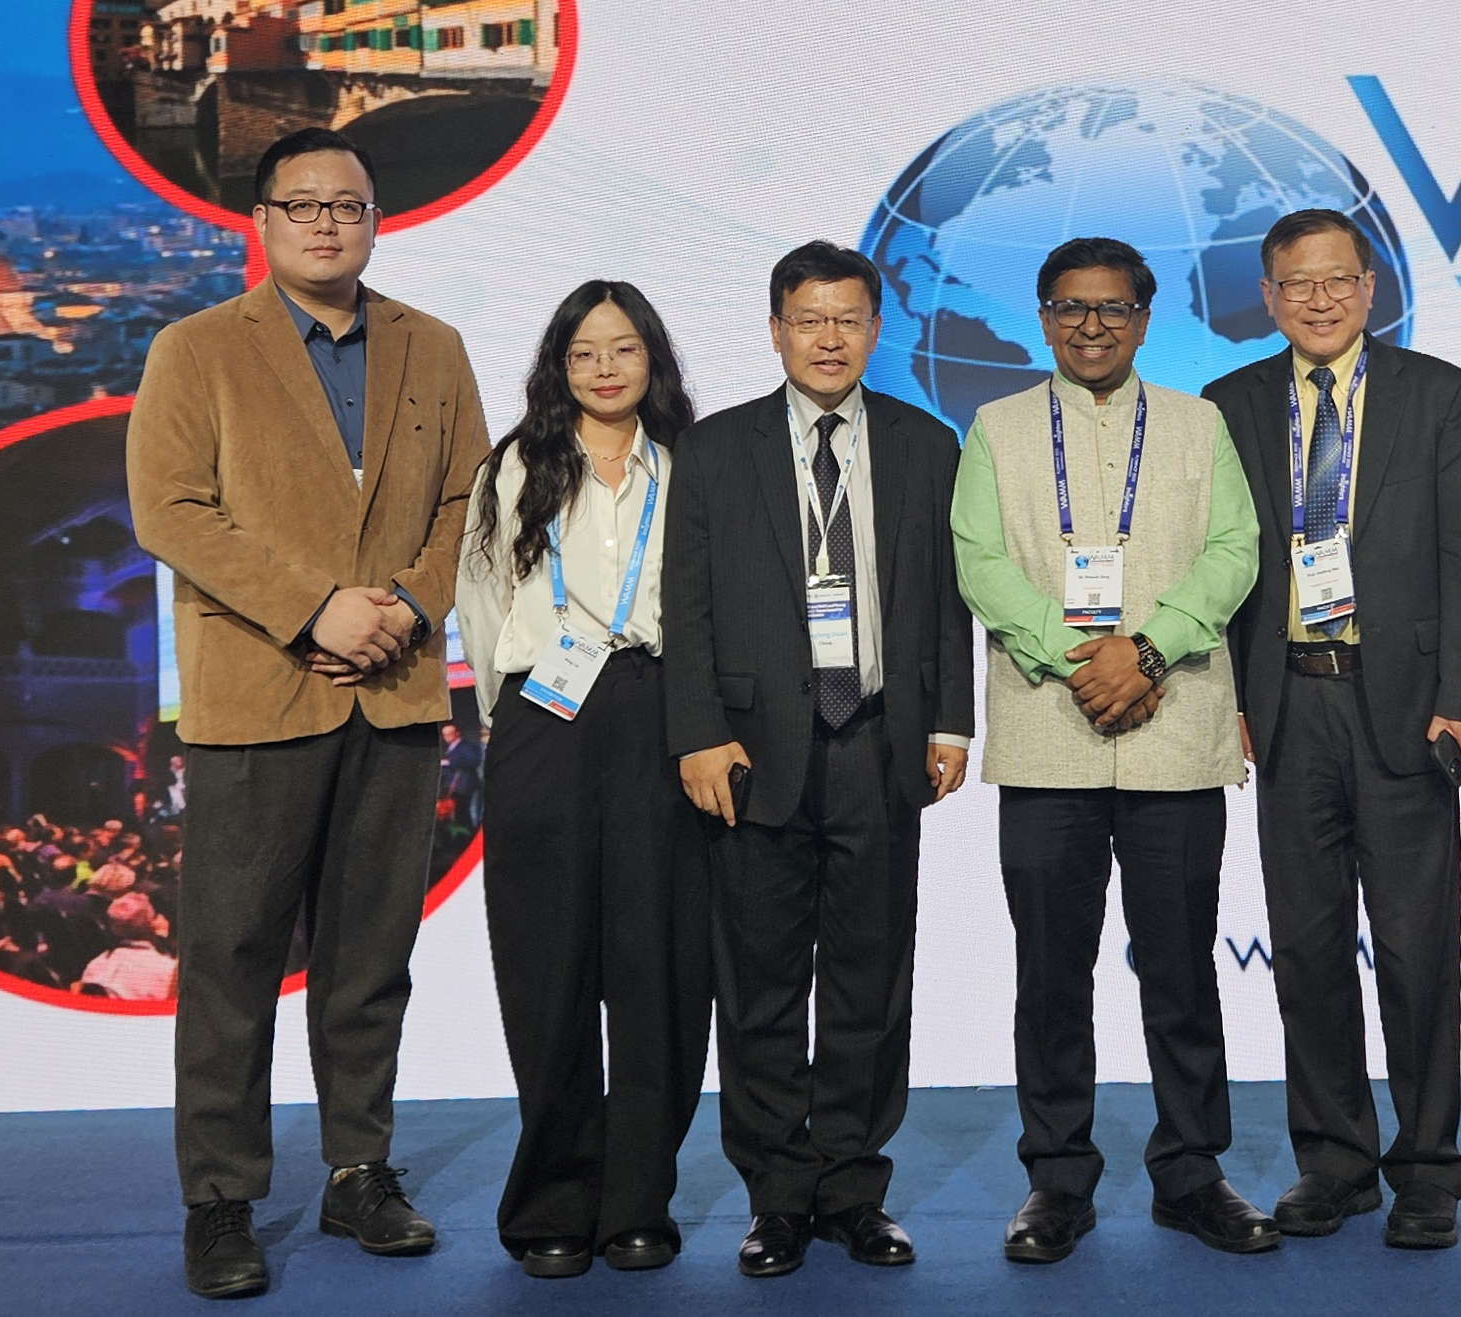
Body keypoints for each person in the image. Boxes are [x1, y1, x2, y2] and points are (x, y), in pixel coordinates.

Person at [125, 126, 488, 1301]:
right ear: (263, 221)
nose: (327, 222)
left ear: (376, 220)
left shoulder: (433, 346)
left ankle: (357, 1170)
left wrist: (408, 606)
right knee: (229, 958)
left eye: (348, 205)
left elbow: (470, 500)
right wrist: (314, 608)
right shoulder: (195, 348)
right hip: (254, 695)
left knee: (370, 959)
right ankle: (220, 1199)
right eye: (304, 204)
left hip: (394, 693)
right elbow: (169, 508)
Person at [950, 238, 1273, 1263]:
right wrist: (1077, 657)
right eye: (1070, 307)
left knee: (1180, 967)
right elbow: (978, 561)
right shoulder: (995, 428)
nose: (1091, 326)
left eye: (1113, 308)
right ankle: (1056, 1177)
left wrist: (1147, 650)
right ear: (1044, 317)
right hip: (1047, 734)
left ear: (1143, 319)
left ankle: (1191, 1172)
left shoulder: (1198, 422)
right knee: (1050, 970)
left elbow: (1235, 550)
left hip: (1175, 729)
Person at [662, 241, 973, 1277]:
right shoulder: (714, 448)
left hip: (879, 742)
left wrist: (950, 721)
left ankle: (852, 1189)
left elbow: (945, 598)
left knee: (869, 982)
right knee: (757, 987)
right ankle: (776, 1197)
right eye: (808, 319)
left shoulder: (926, 445)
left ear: (875, 330)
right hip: (753, 753)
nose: (828, 338)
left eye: (847, 319)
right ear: (774, 330)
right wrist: (696, 730)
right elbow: (685, 605)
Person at [1204, 208, 1461, 1250]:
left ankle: (1426, 1167)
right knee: (1307, 949)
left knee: (1415, 952)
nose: (1317, 300)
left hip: (1405, 703)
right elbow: (1222, 562)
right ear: (1268, 297)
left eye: (1337, 280)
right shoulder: (1229, 402)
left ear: (1371, 288)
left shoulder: (1437, 393)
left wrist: (1459, 696)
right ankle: (1333, 1162)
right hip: (1287, 701)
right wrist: (1231, 696)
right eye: (1296, 283)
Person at [451, 280, 709, 1278]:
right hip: (542, 717)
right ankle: (552, 1200)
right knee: (546, 962)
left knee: (659, 966)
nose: (605, 368)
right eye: (584, 351)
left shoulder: (690, 466)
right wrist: (507, 717)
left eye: (624, 348)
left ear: (654, 359)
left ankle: (639, 1198)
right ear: (558, 364)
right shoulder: (514, 466)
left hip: (659, 708)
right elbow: (481, 602)